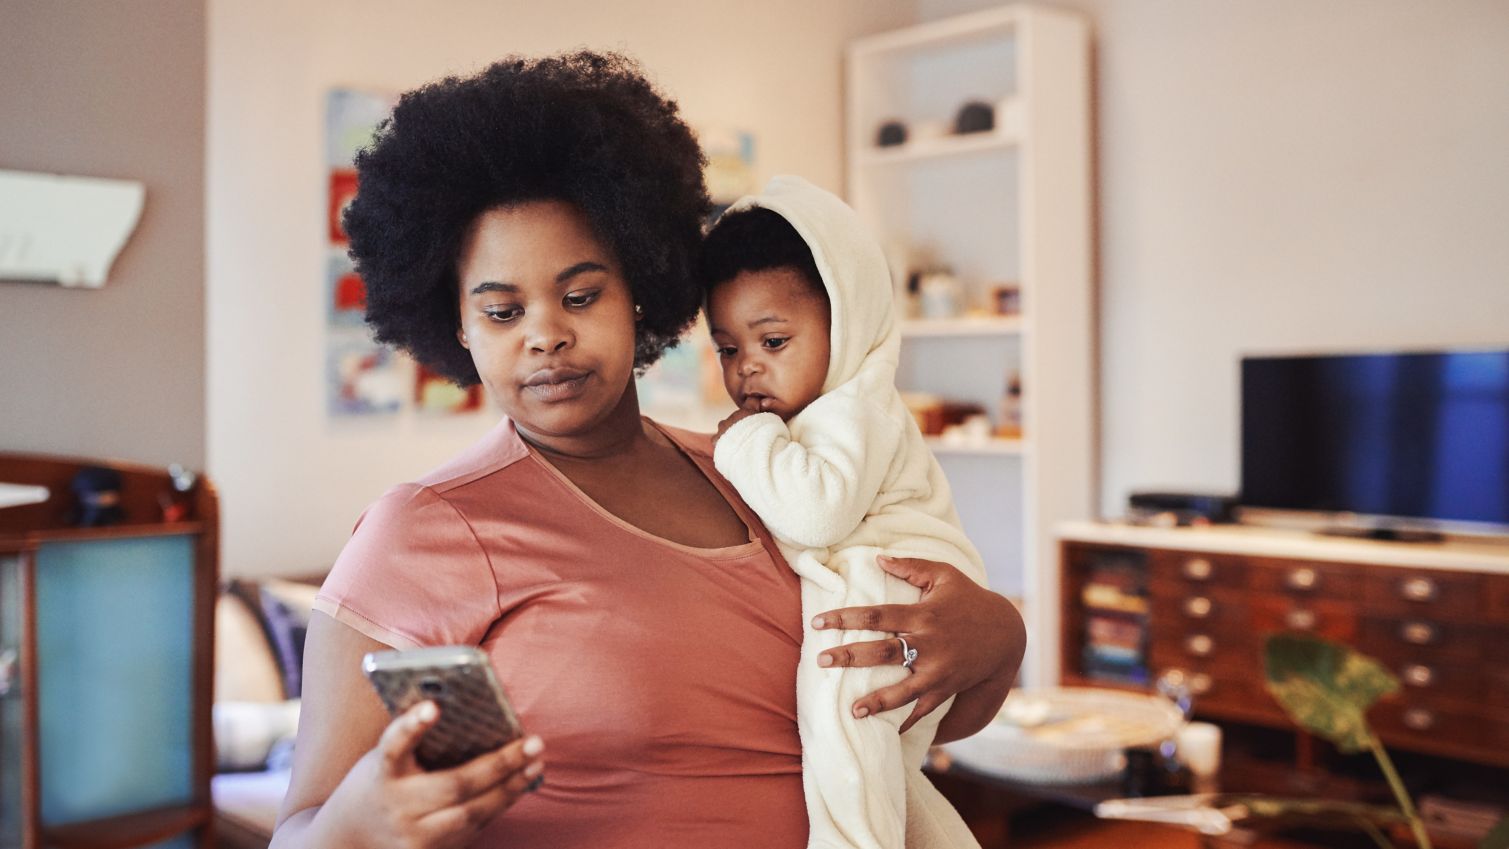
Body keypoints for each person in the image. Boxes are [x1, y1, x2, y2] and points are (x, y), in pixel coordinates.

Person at [271, 51, 1026, 849]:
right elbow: (299, 833)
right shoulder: (418, 530)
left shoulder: (762, 472)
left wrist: (998, 639)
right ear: (455, 325)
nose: (545, 334)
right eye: (500, 311)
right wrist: (361, 822)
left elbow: (898, 716)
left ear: (638, 290)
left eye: (580, 295)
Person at [703, 176, 991, 849]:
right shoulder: (817, 414)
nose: (747, 369)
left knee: (841, 723)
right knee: (877, 771)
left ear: (847, 321)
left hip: (891, 586)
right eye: (727, 348)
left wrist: (742, 439)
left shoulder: (851, 407)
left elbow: (815, 511)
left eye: (773, 342)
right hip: (882, 582)